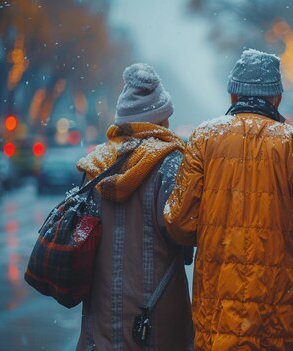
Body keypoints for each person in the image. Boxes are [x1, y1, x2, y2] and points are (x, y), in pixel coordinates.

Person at [164, 49, 293, 351]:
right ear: (277, 99)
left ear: (233, 95)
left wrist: (213, 234)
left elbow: (179, 221)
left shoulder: (204, 138)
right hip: (280, 304)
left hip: (218, 303)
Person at [75, 63, 194, 350]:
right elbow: (182, 231)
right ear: (161, 118)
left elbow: (81, 235)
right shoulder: (171, 162)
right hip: (155, 316)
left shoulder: (96, 165)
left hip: (101, 313)